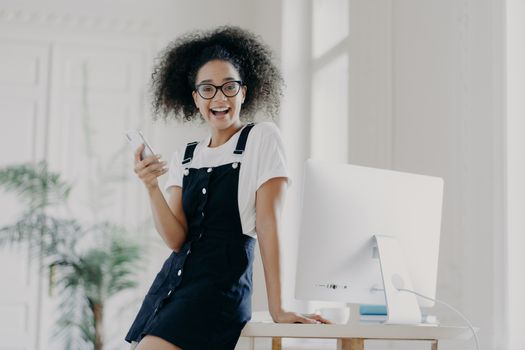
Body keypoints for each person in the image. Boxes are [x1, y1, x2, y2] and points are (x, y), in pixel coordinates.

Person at [125, 26, 330, 350]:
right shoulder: (186, 155)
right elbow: (176, 239)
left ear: (244, 92)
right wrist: (152, 187)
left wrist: (278, 308)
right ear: (195, 97)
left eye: (229, 87)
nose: (219, 97)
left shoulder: (262, 137)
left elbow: (268, 224)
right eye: (207, 89)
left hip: (219, 292)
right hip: (173, 288)